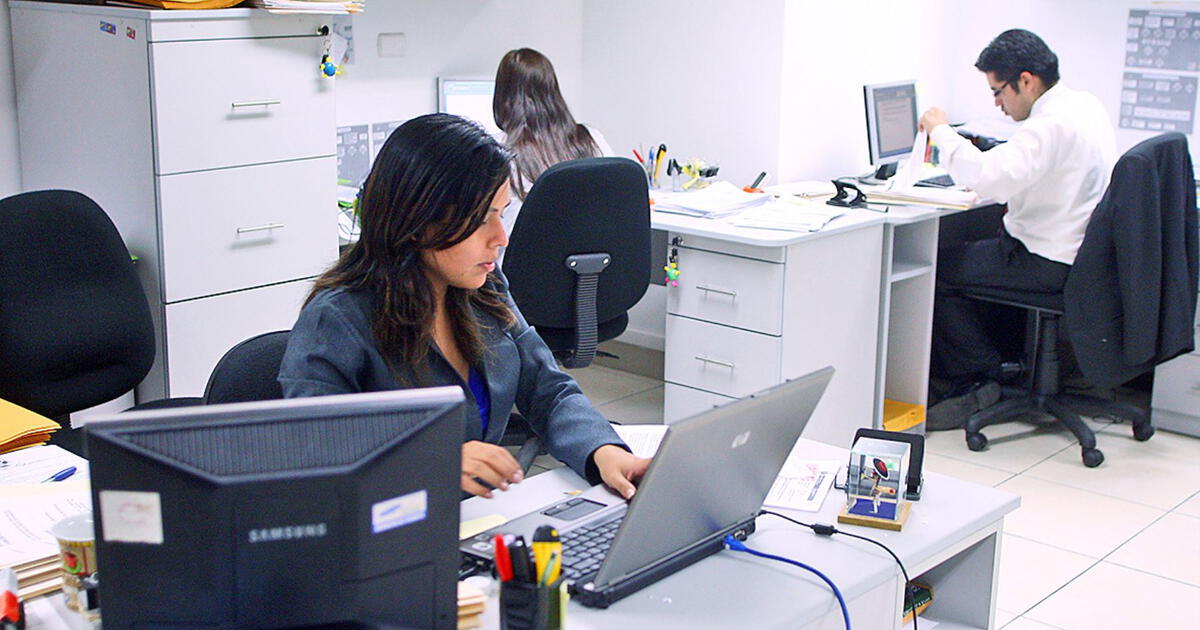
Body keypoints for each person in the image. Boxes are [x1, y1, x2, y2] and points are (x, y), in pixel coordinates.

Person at [278, 113, 649, 499]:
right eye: (481, 220)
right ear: (419, 219)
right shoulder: (338, 318)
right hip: (384, 532)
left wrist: (604, 451)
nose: (501, 238)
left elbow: (548, 390)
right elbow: (313, 446)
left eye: (501, 214)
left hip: (470, 522)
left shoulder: (483, 287)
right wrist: (432, 458)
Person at [917, 29, 1117, 430]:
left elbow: (988, 179)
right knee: (975, 253)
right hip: (1080, 257)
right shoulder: (1085, 105)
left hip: (1046, 262)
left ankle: (981, 378)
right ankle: (992, 369)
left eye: (998, 91)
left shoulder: (1048, 127)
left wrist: (941, 130)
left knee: (934, 273)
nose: (997, 103)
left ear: (1026, 81)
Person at [492, 47, 615, 235]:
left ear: (502, 96)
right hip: (587, 261)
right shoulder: (592, 139)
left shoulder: (497, 151)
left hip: (518, 261)